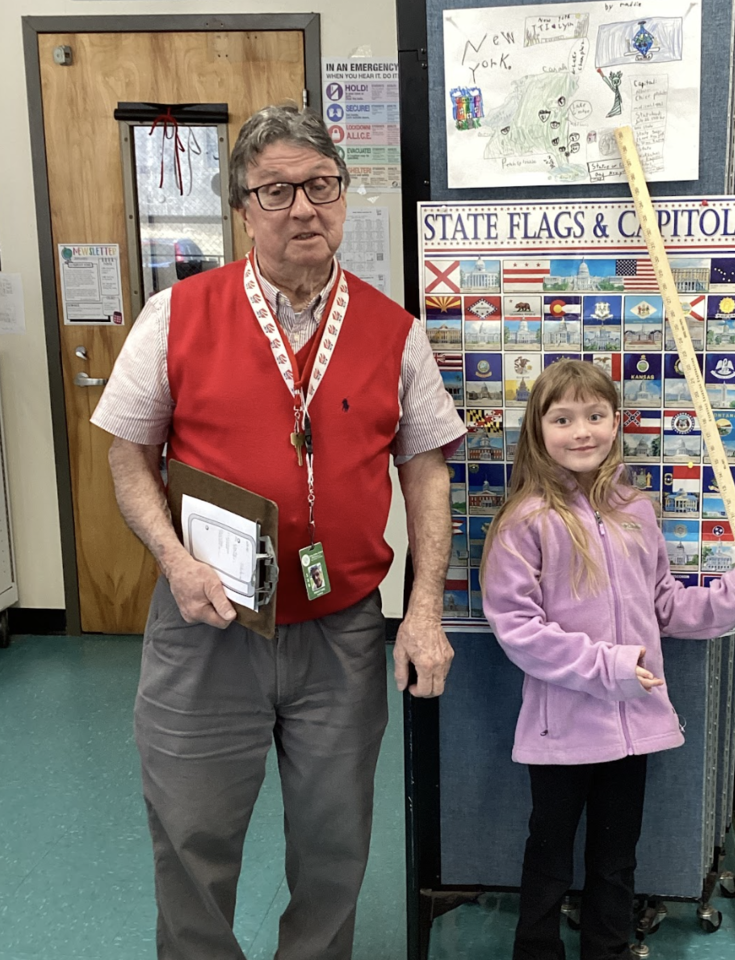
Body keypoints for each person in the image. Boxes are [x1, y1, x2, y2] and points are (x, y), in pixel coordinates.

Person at [91, 103, 465, 960]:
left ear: (344, 194)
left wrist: (423, 611)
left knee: (335, 850)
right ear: (242, 210)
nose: (304, 208)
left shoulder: (393, 331)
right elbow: (126, 456)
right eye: (276, 191)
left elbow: (426, 470)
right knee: (191, 842)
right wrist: (176, 562)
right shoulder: (176, 315)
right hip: (206, 624)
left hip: (340, 637)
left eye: (321, 186)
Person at [480, 360, 735, 960]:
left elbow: (664, 606)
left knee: (617, 856)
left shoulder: (636, 511)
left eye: (595, 415)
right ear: (538, 429)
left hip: (632, 728)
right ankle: (535, 950)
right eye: (562, 418)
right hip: (561, 726)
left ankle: (608, 949)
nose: (581, 431)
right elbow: (517, 629)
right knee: (550, 851)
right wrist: (608, 667)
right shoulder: (524, 521)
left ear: (617, 423)